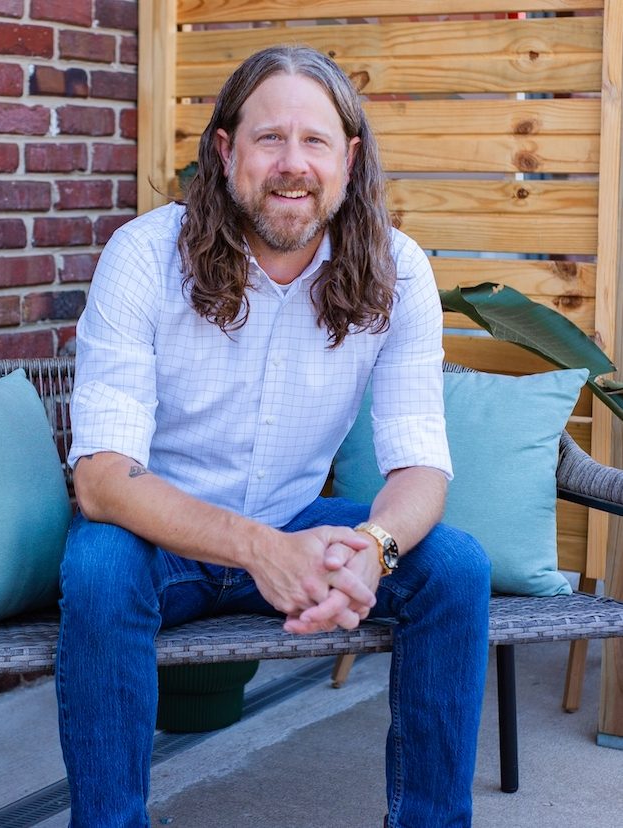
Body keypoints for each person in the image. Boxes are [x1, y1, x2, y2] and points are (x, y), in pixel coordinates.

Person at [57, 45, 491, 828]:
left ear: (350, 160)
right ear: (225, 153)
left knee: (454, 565)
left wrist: (374, 546)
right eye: (269, 139)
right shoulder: (144, 256)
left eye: (316, 141)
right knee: (97, 567)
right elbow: (102, 479)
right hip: (162, 536)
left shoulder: (397, 270)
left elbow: (421, 464)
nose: (293, 164)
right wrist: (260, 550)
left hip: (299, 525)